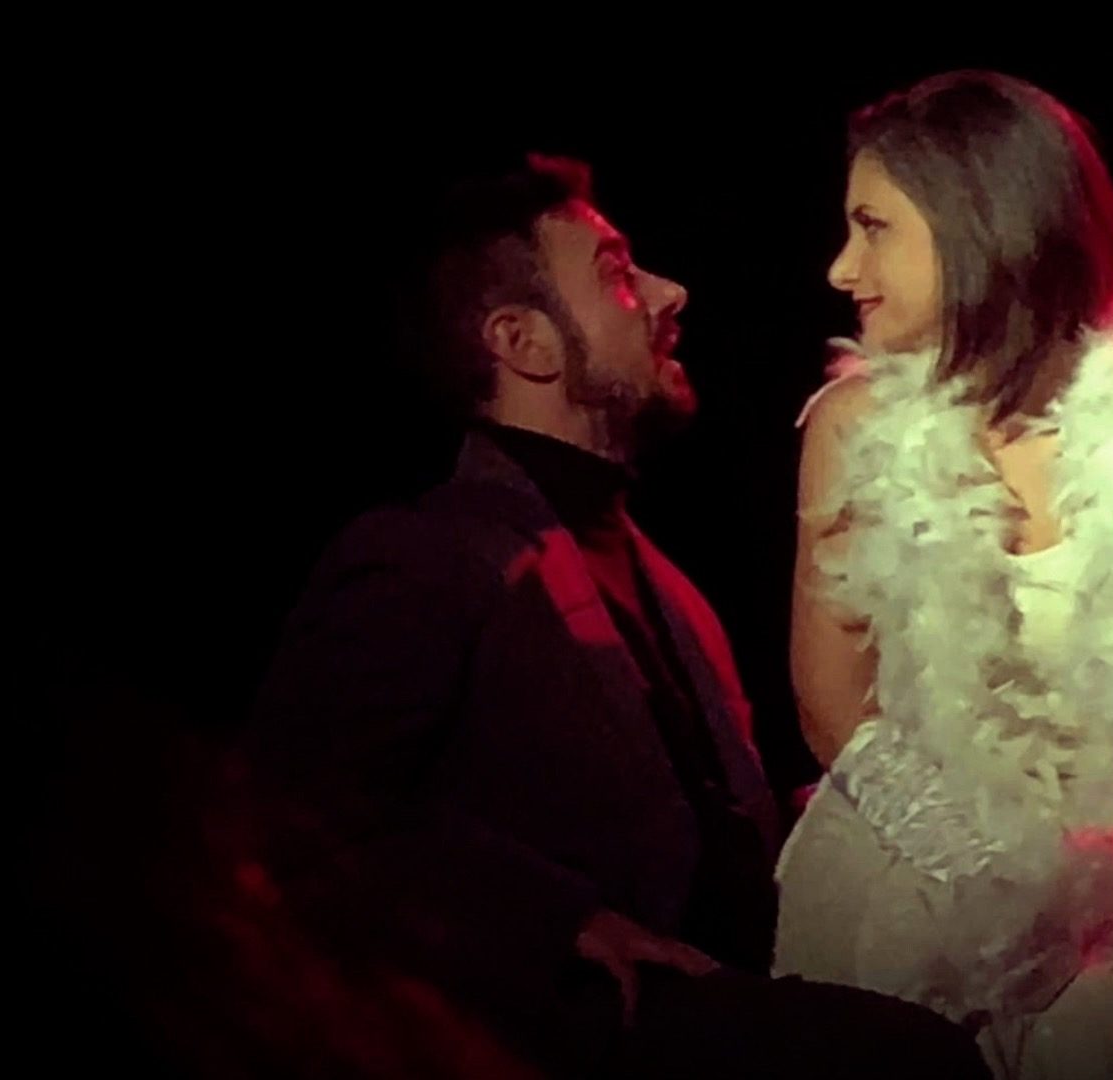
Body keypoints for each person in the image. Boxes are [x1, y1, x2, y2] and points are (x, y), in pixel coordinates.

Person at [241, 154, 989, 1079]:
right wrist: (559, 921)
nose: (669, 293)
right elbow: (290, 810)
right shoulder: (424, 552)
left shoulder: (661, 580)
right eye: (615, 274)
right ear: (523, 342)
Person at [773, 71, 1113, 1080]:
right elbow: (831, 710)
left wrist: (1063, 910)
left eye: (873, 227)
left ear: (982, 227)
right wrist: (991, 884)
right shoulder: (853, 428)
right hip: (893, 904)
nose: (841, 267)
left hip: (1106, 938)